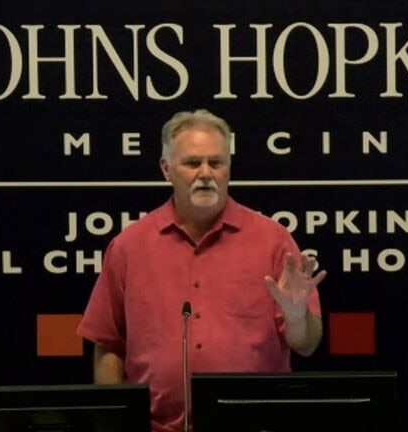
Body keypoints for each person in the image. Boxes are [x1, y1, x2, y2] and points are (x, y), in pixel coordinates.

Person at [77, 109, 326, 432]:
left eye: (216, 163)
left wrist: (296, 317)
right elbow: (108, 343)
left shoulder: (272, 241)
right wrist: (112, 423)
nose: (206, 173)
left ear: (229, 169)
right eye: (193, 163)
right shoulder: (129, 247)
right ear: (166, 169)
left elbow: (307, 344)